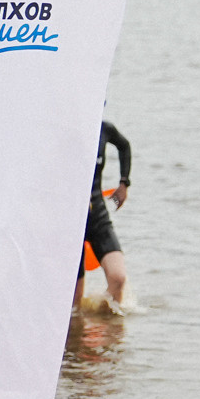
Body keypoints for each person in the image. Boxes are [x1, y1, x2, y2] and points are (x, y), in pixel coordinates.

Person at [79, 119, 132, 308]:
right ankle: (79, 333)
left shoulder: (104, 128)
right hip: (72, 223)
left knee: (118, 279)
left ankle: (110, 332)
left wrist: (124, 183)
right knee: (74, 305)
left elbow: (124, 145)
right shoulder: (66, 131)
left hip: (97, 215)